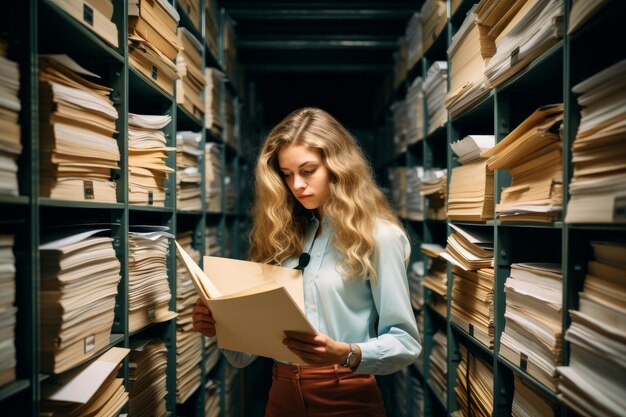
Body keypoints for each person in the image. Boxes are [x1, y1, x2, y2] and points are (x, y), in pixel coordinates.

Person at [193, 107, 421, 417]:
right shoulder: (285, 235)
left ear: (337, 167)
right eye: (287, 174)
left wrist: (347, 352)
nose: (297, 184)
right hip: (282, 393)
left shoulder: (379, 236)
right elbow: (243, 356)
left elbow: (406, 343)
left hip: (347, 394)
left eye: (308, 170)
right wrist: (221, 325)